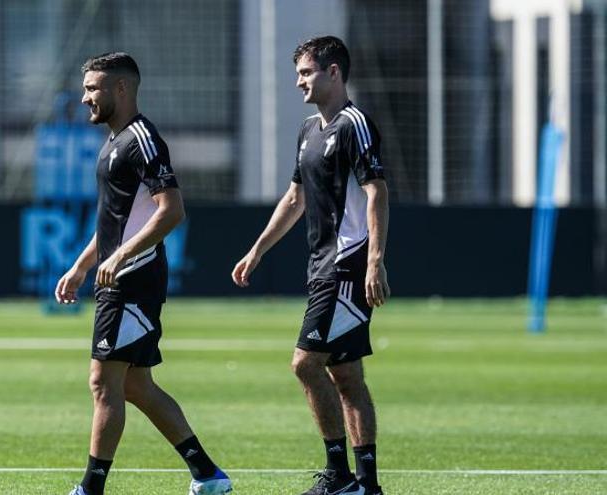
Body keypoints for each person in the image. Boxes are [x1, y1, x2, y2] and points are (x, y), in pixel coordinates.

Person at [55, 52, 232, 495]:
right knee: (136, 385)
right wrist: (82, 265)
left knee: (103, 381)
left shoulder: (142, 140)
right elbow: (115, 221)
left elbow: (171, 211)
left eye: (92, 88)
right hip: (120, 276)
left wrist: (120, 258)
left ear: (121, 89)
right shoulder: (115, 140)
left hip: (134, 280)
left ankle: (90, 488)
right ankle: (208, 476)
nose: (84, 98)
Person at [231, 36, 389, 495]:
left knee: (304, 364)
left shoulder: (356, 125)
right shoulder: (308, 129)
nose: (299, 80)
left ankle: (340, 477)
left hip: (347, 265)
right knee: (346, 375)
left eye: (306, 72)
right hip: (322, 265)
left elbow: (377, 191)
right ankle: (367, 485)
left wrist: (374, 261)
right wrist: (258, 249)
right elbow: (296, 197)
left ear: (334, 72)